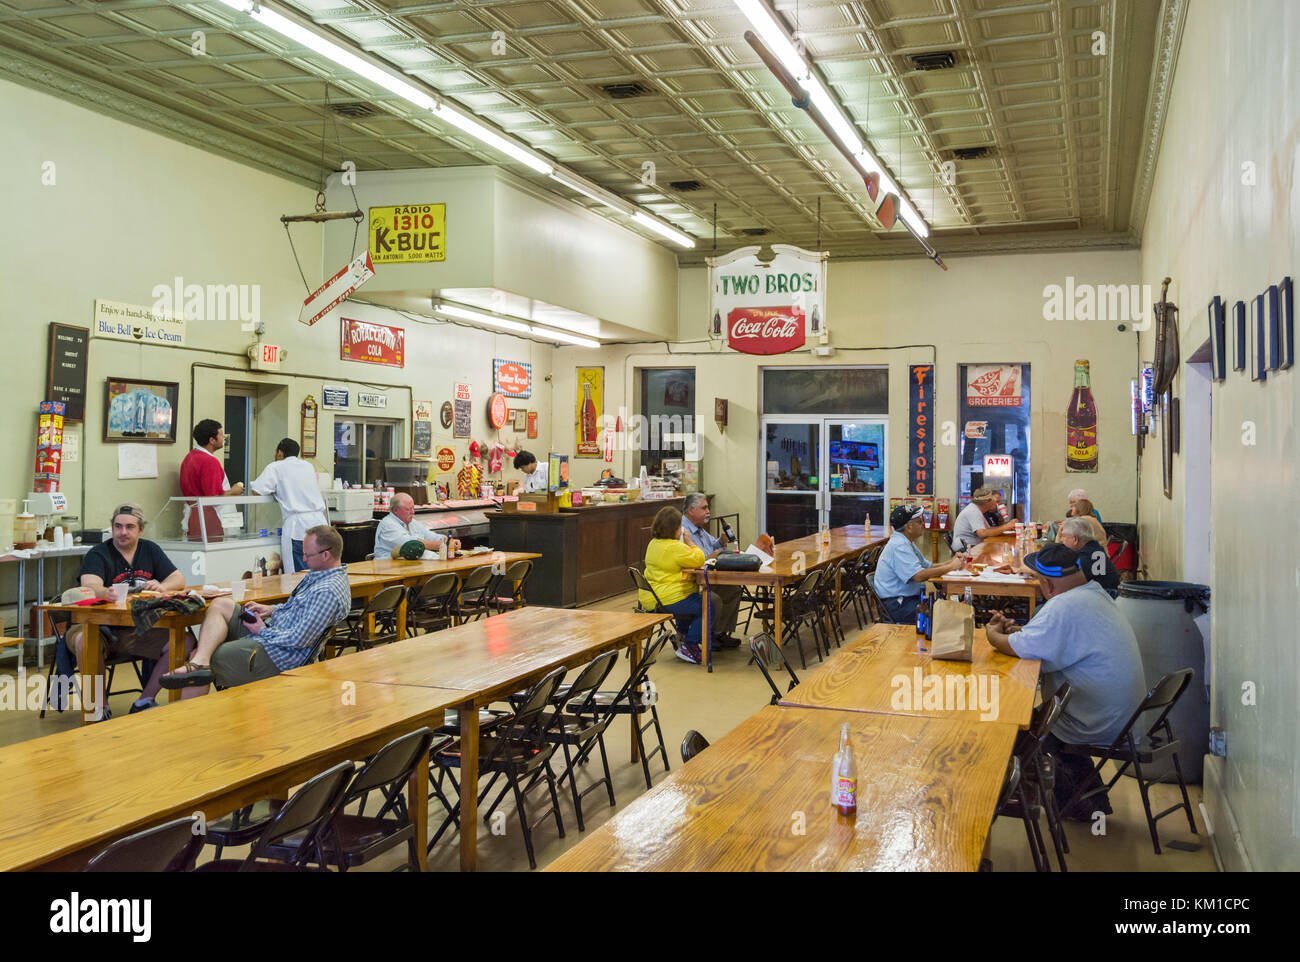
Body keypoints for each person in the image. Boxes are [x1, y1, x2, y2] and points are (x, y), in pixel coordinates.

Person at [984, 543, 1147, 818]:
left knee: (1008, 726)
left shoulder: (1064, 605)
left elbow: (1019, 647)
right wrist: (1023, 632)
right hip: (1124, 717)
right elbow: (1048, 638)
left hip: (1097, 722)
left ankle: (1009, 796)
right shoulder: (1093, 594)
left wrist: (992, 634)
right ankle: (1083, 801)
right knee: (1036, 718)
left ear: (1047, 584)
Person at [160, 526, 352, 691]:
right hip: (272, 632)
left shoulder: (328, 591)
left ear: (326, 555)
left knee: (208, 657)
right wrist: (271, 610)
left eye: (307, 554)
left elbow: (298, 639)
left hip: (280, 654)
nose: (304, 558)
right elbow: (297, 608)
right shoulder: (318, 575)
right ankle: (200, 661)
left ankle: (196, 678)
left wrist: (261, 630)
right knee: (221, 604)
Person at [67, 504, 188, 718]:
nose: (123, 532)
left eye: (130, 527)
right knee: (84, 641)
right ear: (112, 528)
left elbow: (178, 579)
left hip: (134, 628)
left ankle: (145, 699)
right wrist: (105, 592)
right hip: (95, 626)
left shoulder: (150, 549)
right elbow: (89, 585)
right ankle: (100, 707)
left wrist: (162, 587)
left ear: (140, 530)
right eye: (118, 526)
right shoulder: (98, 553)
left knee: (184, 641)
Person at [638, 506, 720, 665]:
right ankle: (690, 644)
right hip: (667, 598)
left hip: (651, 597)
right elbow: (699, 558)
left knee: (692, 598)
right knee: (706, 604)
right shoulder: (675, 547)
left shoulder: (653, 543)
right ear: (676, 529)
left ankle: (681, 636)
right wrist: (690, 542)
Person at [679, 492, 757, 650]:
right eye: (704, 508)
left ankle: (720, 633)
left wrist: (721, 541)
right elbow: (693, 561)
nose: (708, 511)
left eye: (708, 507)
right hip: (691, 580)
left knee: (733, 589)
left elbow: (712, 544)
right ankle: (708, 635)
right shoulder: (683, 531)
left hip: (710, 573)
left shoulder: (699, 528)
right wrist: (711, 556)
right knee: (714, 598)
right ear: (691, 511)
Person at [873, 504, 967, 623]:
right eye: (919, 522)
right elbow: (918, 575)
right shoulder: (899, 545)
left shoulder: (906, 542)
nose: (923, 524)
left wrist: (951, 561)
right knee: (948, 615)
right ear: (909, 527)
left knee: (951, 609)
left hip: (908, 599)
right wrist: (951, 567)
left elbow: (928, 566)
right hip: (898, 605)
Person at [250, 437, 328, 573]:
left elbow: (257, 491)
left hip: (298, 528)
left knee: (298, 576)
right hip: (320, 524)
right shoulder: (308, 466)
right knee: (320, 571)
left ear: (280, 453)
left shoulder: (275, 467)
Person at [179, 418, 243, 540]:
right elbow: (213, 498)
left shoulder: (190, 457)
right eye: (220, 434)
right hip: (212, 520)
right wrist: (234, 491)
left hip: (195, 516)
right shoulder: (209, 462)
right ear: (212, 440)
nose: (223, 437)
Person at [373, 492, 459, 559]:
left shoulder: (412, 522)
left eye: (413, 508)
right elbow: (412, 545)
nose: (413, 512)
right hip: (387, 568)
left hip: (407, 565)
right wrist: (442, 545)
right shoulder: (388, 525)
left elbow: (431, 536)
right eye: (408, 509)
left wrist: (450, 541)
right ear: (395, 510)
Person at [1058, 516, 1120, 596]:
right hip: (1106, 596)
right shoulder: (1094, 549)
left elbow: (1063, 581)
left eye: (1063, 536)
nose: (1061, 540)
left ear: (1075, 539)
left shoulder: (1085, 558)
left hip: (1101, 600)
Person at [951, 486, 1016, 551]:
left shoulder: (977, 510)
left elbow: (988, 530)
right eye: (995, 501)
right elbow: (982, 533)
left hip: (972, 545)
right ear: (987, 502)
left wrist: (1007, 527)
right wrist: (1005, 527)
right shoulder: (973, 511)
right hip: (964, 549)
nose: (997, 504)